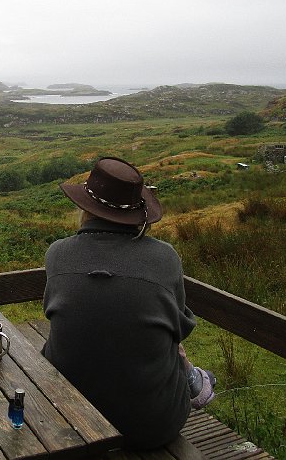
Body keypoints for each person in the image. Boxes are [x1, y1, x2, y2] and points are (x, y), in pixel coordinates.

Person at [42, 156, 215, 450]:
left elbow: (52, 311)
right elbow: (180, 327)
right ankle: (195, 379)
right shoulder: (165, 257)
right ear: (137, 214)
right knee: (170, 346)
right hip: (152, 427)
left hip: (70, 417)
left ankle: (194, 377)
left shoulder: (57, 254)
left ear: (85, 208)